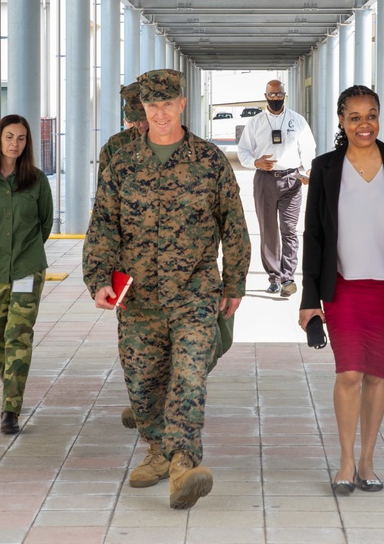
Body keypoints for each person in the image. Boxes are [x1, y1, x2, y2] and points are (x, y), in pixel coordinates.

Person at [83, 69, 250, 509]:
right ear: (143, 108)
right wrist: (99, 279)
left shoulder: (209, 160)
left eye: (166, 103)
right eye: (150, 105)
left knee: (189, 376)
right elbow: (103, 224)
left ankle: (182, 465)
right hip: (137, 297)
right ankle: (157, 451)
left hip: (195, 291)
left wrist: (234, 282)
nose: (158, 112)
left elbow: (233, 224)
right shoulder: (121, 161)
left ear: (181, 104)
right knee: (143, 384)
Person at [299, 85, 384, 495]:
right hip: (342, 288)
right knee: (349, 374)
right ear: (341, 121)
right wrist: (308, 300)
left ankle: (368, 460)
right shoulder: (324, 168)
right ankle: (344, 461)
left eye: (371, 115)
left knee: (375, 375)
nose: (364, 124)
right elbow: (314, 236)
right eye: (354, 117)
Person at [0, 114, 53, 436]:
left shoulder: (38, 181)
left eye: (21, 138)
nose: (15, 144)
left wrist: (25, 253)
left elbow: (45, 224)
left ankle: (10, 409)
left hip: (28, 267)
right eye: (9, 137)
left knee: (19, 335)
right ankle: (11, 389)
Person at [96, 81, 147, 430]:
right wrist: (101, 270)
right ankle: (141, 403)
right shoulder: (115, 149)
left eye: (143, 119)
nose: (140, 127)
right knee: (134, 346)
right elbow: (103, 211)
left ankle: (158, 403)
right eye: (134, 122)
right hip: (129, 265)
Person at [236, 79, 316, 296]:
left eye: (279, 95)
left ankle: (288, 277)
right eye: (271, 95)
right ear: (265, 96)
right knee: (269, 231)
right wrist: (256, 163)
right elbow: (243, 151)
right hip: (265, 180)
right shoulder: (256, 123)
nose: (275, 99)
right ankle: (274, 276)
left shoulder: (297, 121)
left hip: (291, 180)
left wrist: (308, 170)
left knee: (289, 230)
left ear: (284, 95)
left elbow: (308, 148)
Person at [97, 80, 148, 181]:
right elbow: (104, 189)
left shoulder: (179, 142)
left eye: (146, 118)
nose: (141, 124)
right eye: (136, 119)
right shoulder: (116, 144)